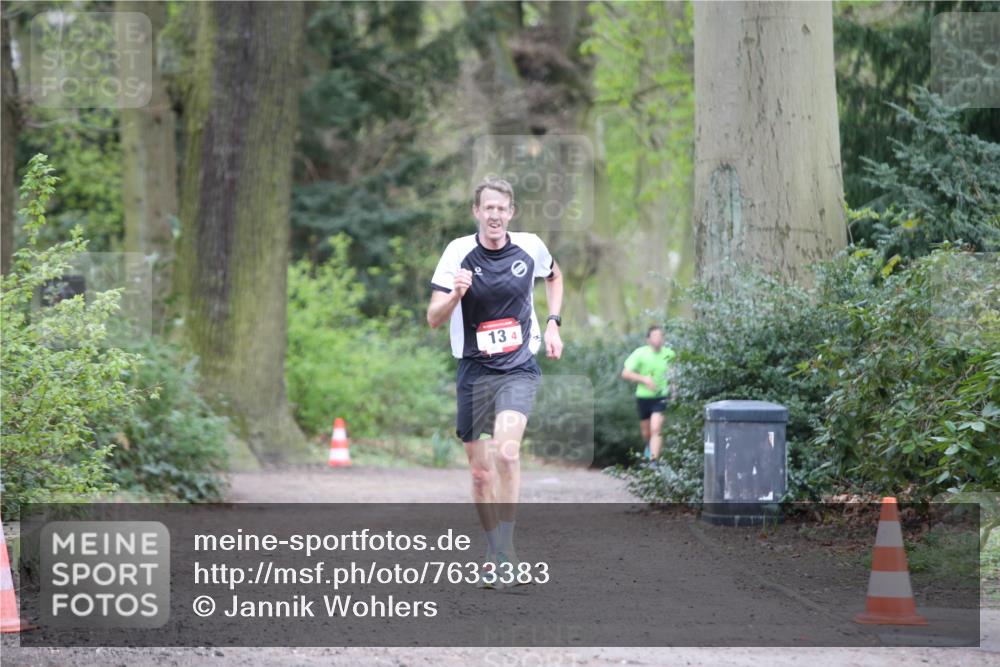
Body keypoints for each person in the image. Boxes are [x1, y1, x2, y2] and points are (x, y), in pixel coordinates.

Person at [427, 177, 563, 588]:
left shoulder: (530, 247)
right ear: (476, 212)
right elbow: (433, 318)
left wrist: (553, 323)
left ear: (511, 212)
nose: (495, 215)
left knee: (506, 452)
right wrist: (455, 295)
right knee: (480, 475)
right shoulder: (457, 253)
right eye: (488, 208)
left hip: (518, 367)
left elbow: (554, 276)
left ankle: (507, 549)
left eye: (502, 208)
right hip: (474, 370)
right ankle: (493, 552)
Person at [621, 326, 676, 460]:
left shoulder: (670, 354)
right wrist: (644, 379)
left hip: (661, 396)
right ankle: (648, 445)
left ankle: (653, 462)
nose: (658, 339)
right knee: (647, 433)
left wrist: (674, 393)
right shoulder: (640, 353)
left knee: (656, 428)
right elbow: (625, 373)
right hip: (643, 397)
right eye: (655, 336)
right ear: (648, 339)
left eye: (660, 336)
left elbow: (673, 375)